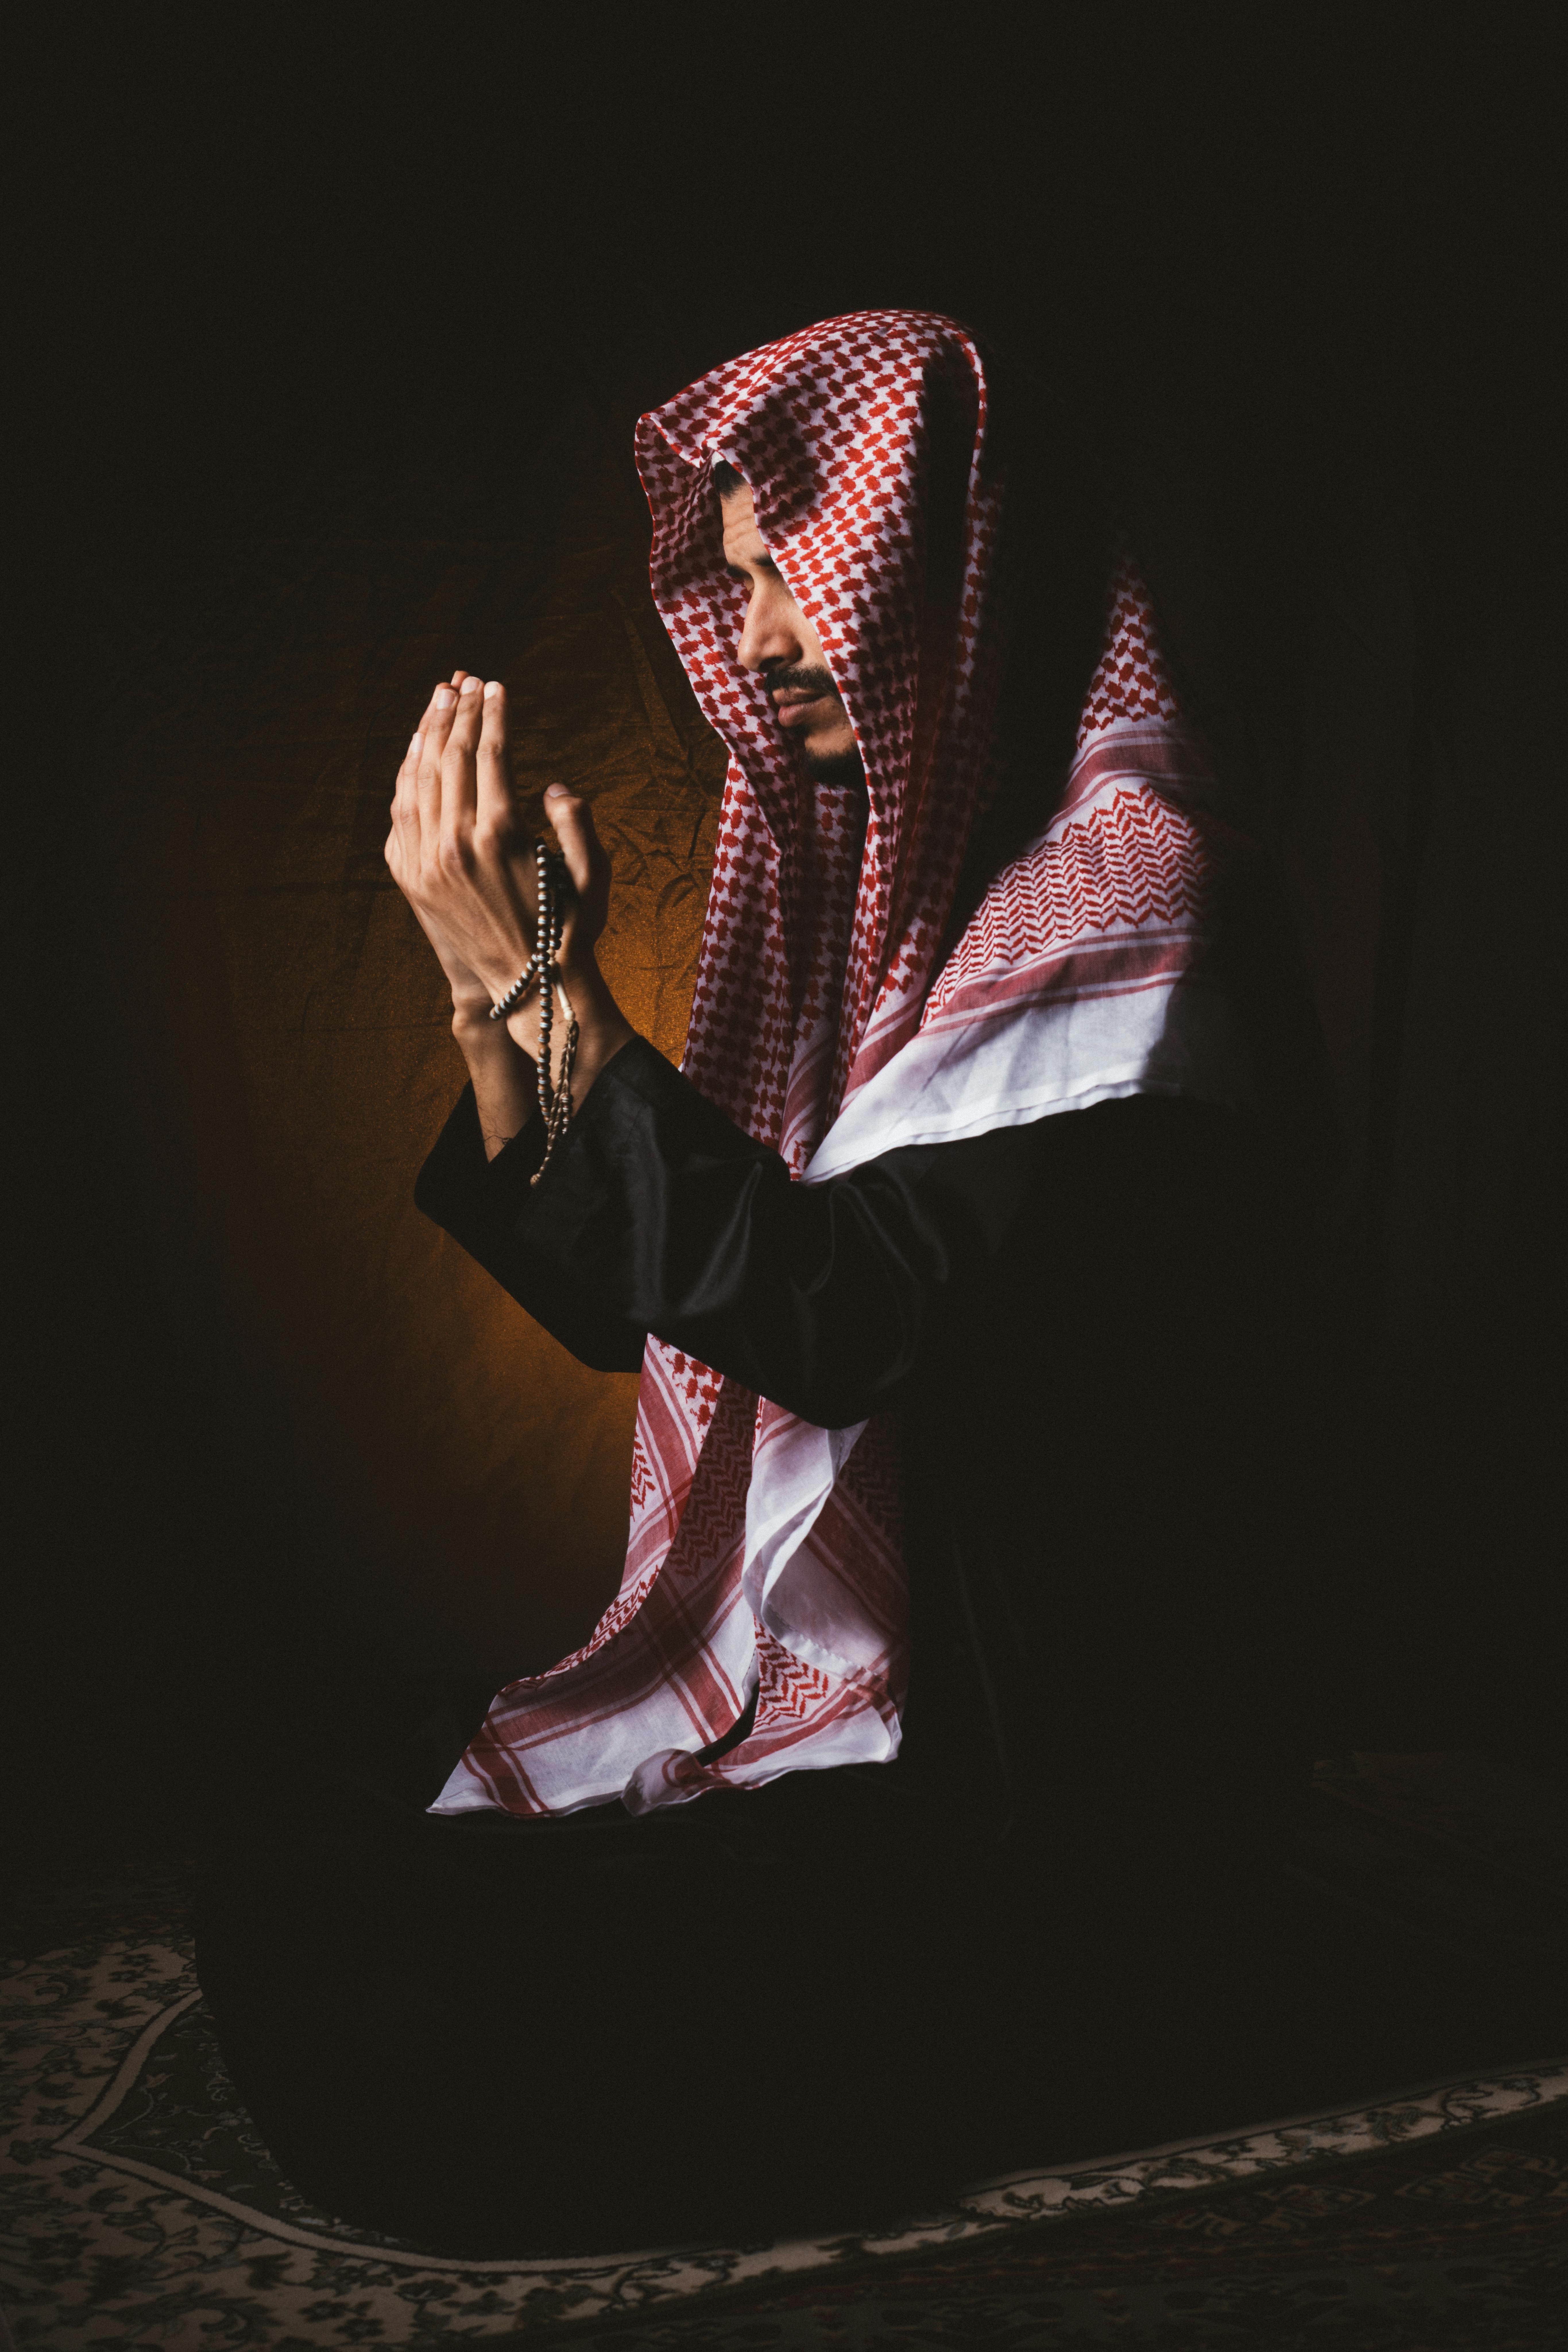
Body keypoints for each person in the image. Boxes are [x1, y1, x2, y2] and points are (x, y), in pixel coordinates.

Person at [197, 311, 1323, 2257]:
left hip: (1047, 1758)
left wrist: (544, 994)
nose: (766, 634)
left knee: (424, 1998)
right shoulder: (859, 904)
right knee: (311, 1800)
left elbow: (838, 1313)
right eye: (737, 584)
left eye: (801, 569)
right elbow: (651, 1303)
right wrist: (492, 1000)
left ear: (955, 576)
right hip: (892, 1715)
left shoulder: (1138, 890)